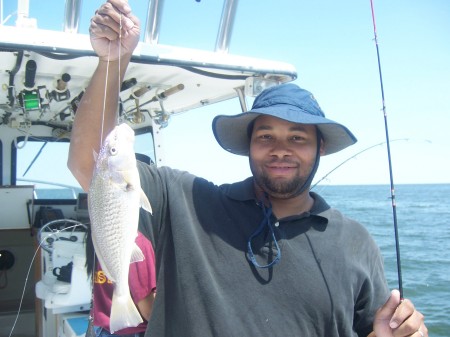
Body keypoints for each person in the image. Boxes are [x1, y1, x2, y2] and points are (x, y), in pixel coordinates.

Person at [68, 1, 428, 336]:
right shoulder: (189, 203)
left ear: (320, 146)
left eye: (298, 138)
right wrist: (114, 62)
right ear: (249, 145)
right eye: (266, 136)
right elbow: (92, 163)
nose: (281, 150)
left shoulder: (356, 243)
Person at [85, 226, 157, 337]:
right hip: (130, 331)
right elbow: (148, 311)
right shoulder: (137, 243)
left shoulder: (98, 234)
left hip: (101, 328)